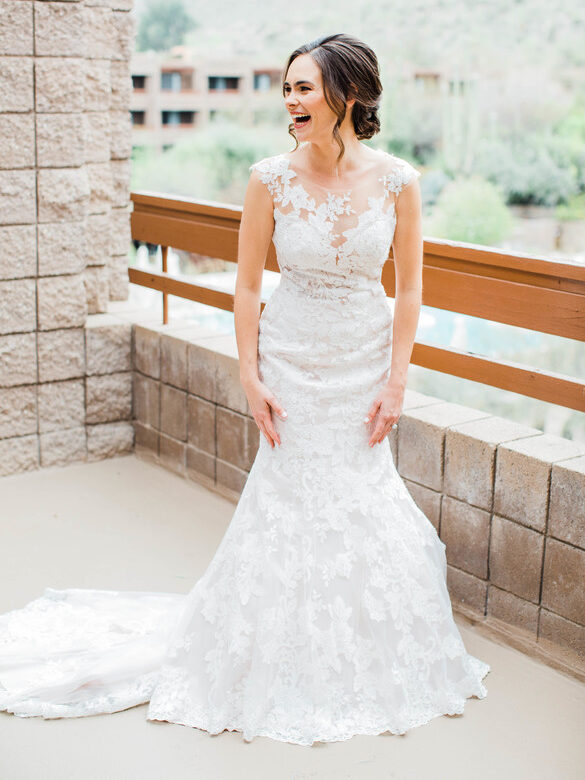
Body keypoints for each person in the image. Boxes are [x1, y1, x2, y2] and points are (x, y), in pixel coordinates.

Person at [0, 33, 490, 747]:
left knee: (363, 497)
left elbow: (411, 288)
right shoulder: (268, 179)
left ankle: (358, 656)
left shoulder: (397, 182)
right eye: (286, 88)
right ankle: (271, 653)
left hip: (361, 362)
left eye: (303, 88)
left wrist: (395, 380)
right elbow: (248, 284)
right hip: (291, 361)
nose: (290, 101)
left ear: (345, 96)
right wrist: (250, 372)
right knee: (287, 501)